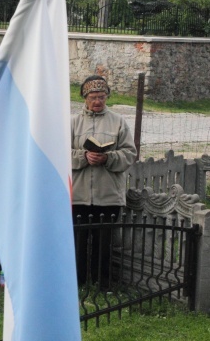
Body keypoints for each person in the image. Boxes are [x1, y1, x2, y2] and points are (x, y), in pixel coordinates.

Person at [71, 75, 136, 289]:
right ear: (84, 98)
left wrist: (108, 158)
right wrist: (84, 157)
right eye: (93, 97)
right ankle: (78, 282)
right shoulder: (73, 122)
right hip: (79, 194)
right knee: (78, 241)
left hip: (108, 195)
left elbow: (129, 154)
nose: (98, 101)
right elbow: (59, 153)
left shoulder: (118, 122)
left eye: (102, 97)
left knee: (104, 242)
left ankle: (103, 283)